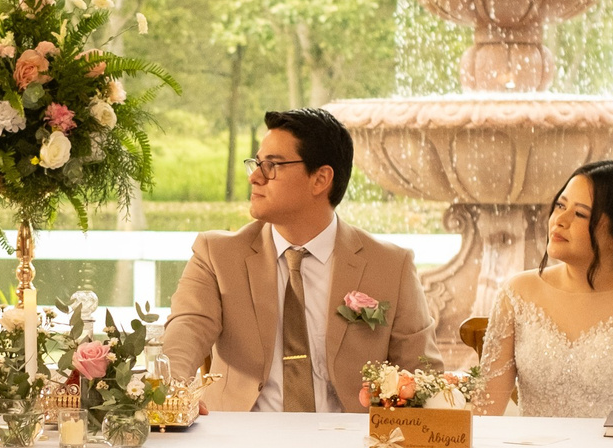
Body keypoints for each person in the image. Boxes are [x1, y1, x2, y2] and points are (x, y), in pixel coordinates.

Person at [161, 107, 435, 414]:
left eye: (272, 165)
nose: (255, 177)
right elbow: (184, 334)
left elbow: (423, 373)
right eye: (256, 163)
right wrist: (173, 392)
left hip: (353, 446)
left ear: (320, 179)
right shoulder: (217, 256)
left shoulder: (389, 265)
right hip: (243, 445)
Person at [473, 159, 613, 418]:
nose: (559, 220)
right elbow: (484, 413)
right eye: (560, 205)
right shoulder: (517, 294)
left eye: (580, 214)